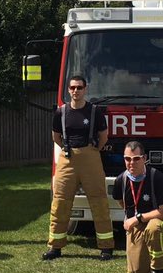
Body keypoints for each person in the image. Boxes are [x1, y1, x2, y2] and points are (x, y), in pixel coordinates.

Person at [42, 75, 112, 261]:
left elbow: (103, 136)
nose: (76, 91)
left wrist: (92, 150)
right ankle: (55, 247)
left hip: (90, 157)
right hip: (67, 157)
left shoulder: (95, 112)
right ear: (68, 90)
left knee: (99, 202)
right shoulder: (61, 112)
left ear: (85, 89)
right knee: (60, 202)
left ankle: (106, 247)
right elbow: (56, 137)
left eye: (79, 87)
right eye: (72, 87)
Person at [111, 141, 163, 273]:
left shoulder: (156, 177)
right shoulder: (121, 180)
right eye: (127, 159)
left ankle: (158, 272)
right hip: (137, 223)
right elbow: (121, 201)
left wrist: (138, 218)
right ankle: (147, 264)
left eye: (136, 158)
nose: (131, 163)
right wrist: (132, 219)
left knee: (154, 229)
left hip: (161, 219)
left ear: (144, 158)